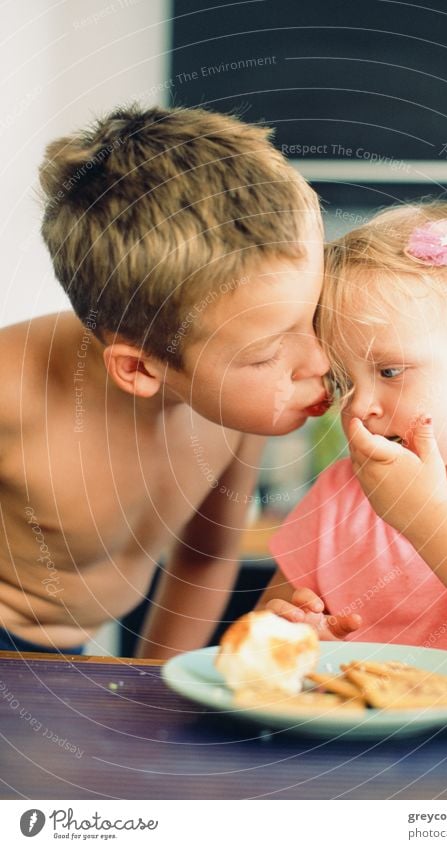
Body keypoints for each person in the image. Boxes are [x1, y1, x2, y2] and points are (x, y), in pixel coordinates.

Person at [0, 105, 330, 658]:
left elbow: (206, 557)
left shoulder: (233, 408)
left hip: (72, 657)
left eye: (315, 316)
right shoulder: (14, 389)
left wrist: (154, 688)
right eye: (268, 353)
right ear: (138, 368)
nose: (319, 360)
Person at [261, 201, 447, 674]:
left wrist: (427, 519)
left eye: (390, 370)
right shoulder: (340, 495)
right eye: (345, 381)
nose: (359, 406)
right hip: (362, 744)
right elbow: (264, 640)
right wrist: (290, 639)